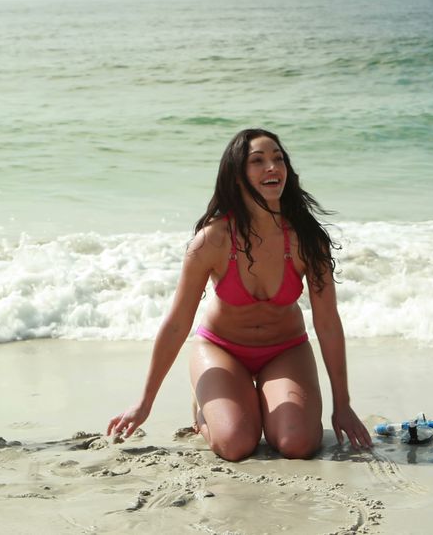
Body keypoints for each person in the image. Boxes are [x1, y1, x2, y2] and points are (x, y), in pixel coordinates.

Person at [108, 128, 372, 461]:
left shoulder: (306, 239)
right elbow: (177, 322)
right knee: (235, 444)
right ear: (236, 177)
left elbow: (328, 323)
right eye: (258, 161)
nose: (272, 167)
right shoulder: (212, 241)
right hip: (221, 350)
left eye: (278, 159)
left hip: (285, 350)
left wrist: (343, 405)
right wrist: (144, 403)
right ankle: (205, 411)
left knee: (297, 444)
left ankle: (262, 404)